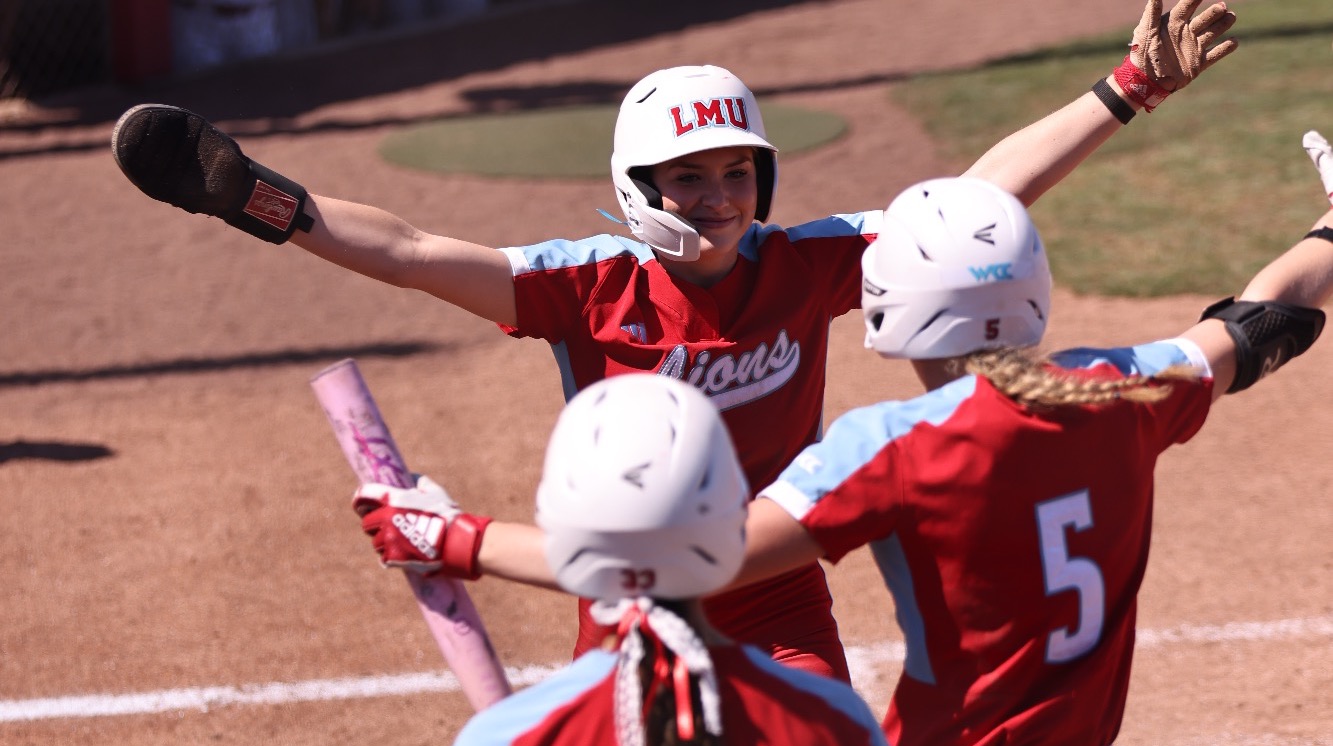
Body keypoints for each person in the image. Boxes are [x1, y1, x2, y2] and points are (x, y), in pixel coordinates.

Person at [111, 0, 1238, 681]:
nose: (716, 196)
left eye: (735, 173)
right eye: (688, 178)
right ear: (637, 186)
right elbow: (408, 249)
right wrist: (257, 198)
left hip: (778, 588)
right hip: (634, 597)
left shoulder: (803, 262)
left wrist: (1127, 87)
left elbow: (969, 196)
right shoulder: (585, 283)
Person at [377, 158, 1333, 746]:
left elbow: (677, 561)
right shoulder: (1122, 389)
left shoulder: (890, 447)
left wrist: (451, 535)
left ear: (887, 311)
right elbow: (1260, 325)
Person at [361, 374, 888, 746]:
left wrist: (457, 538)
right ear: (736, 520)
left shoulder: (507, 736)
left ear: (563, 529)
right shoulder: (833, 720)